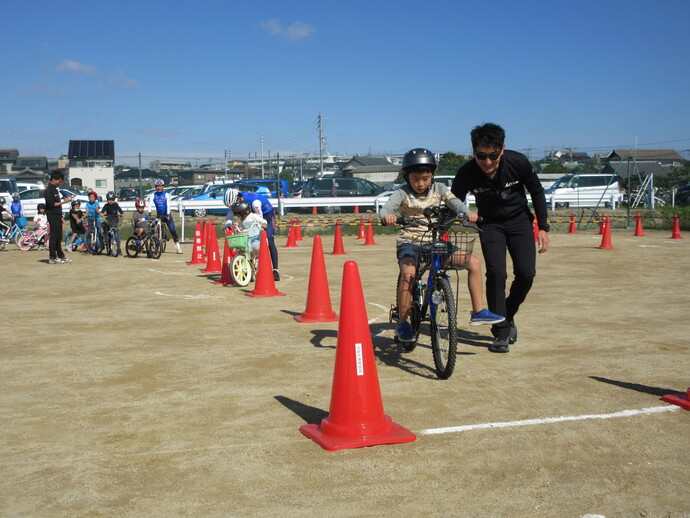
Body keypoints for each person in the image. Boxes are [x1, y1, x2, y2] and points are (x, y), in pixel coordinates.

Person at [379, 148, 504, 343]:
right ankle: (403, 324)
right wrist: (388, 217)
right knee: (408, 273)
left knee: (474, 263)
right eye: (416, 178)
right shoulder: (401, 192)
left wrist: (466, 213)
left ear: (432, 176)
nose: (421, 183)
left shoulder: (440, 189)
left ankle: (478, 311)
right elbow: (386, 209)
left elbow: (455, 203)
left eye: (426, 178)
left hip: (435, 241)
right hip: (410, 243)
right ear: (407, 176)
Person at [452, 123, 550, 353]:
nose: (487, 162)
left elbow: (537, 191)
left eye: (493, 155)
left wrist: (543, 227)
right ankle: (501, 331)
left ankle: (506, 312)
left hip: (519, 222)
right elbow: (453, 199)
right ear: (473, 151)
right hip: (490, 224)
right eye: (481, 155)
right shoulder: (467, 172)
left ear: (502, 150)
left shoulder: (518, 163)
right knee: (496, 273)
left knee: (526, 273)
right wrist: (457, 216)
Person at [224, 188, 280, 280]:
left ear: (238, 199)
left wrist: (261, 228)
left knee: (269, 239)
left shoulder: (255, 202)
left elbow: (260, 218)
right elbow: (230, 213)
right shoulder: (237, 200)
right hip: (251, 213)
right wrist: (228, 224)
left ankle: (275, 270)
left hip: (266, 215)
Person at [146, 179, 183, 254]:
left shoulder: (166, 194)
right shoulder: (153, 195)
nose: (159, 188)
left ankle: (178, 247)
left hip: (166, 214)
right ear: (155, 187)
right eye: (157, 186)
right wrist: (149, 211)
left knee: (173, 230)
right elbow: (150, 204)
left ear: (163, 186)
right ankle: (156, 244)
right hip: (159, 215)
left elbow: (168, 204)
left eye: (160, 186)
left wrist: (168, 214)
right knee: (154, 229)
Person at [44, 170, 72, 264]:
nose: (60, 183)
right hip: (52, 215)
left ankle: (61, 255)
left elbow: (57, 204)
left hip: (57, 215)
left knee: (59, 236)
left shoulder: (55, 189)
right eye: (59, 181)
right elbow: (51, 204)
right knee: (54, 237)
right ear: (54, 179)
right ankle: (52, 257)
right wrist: (64, 202)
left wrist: (61, 217)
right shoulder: (48, 190)